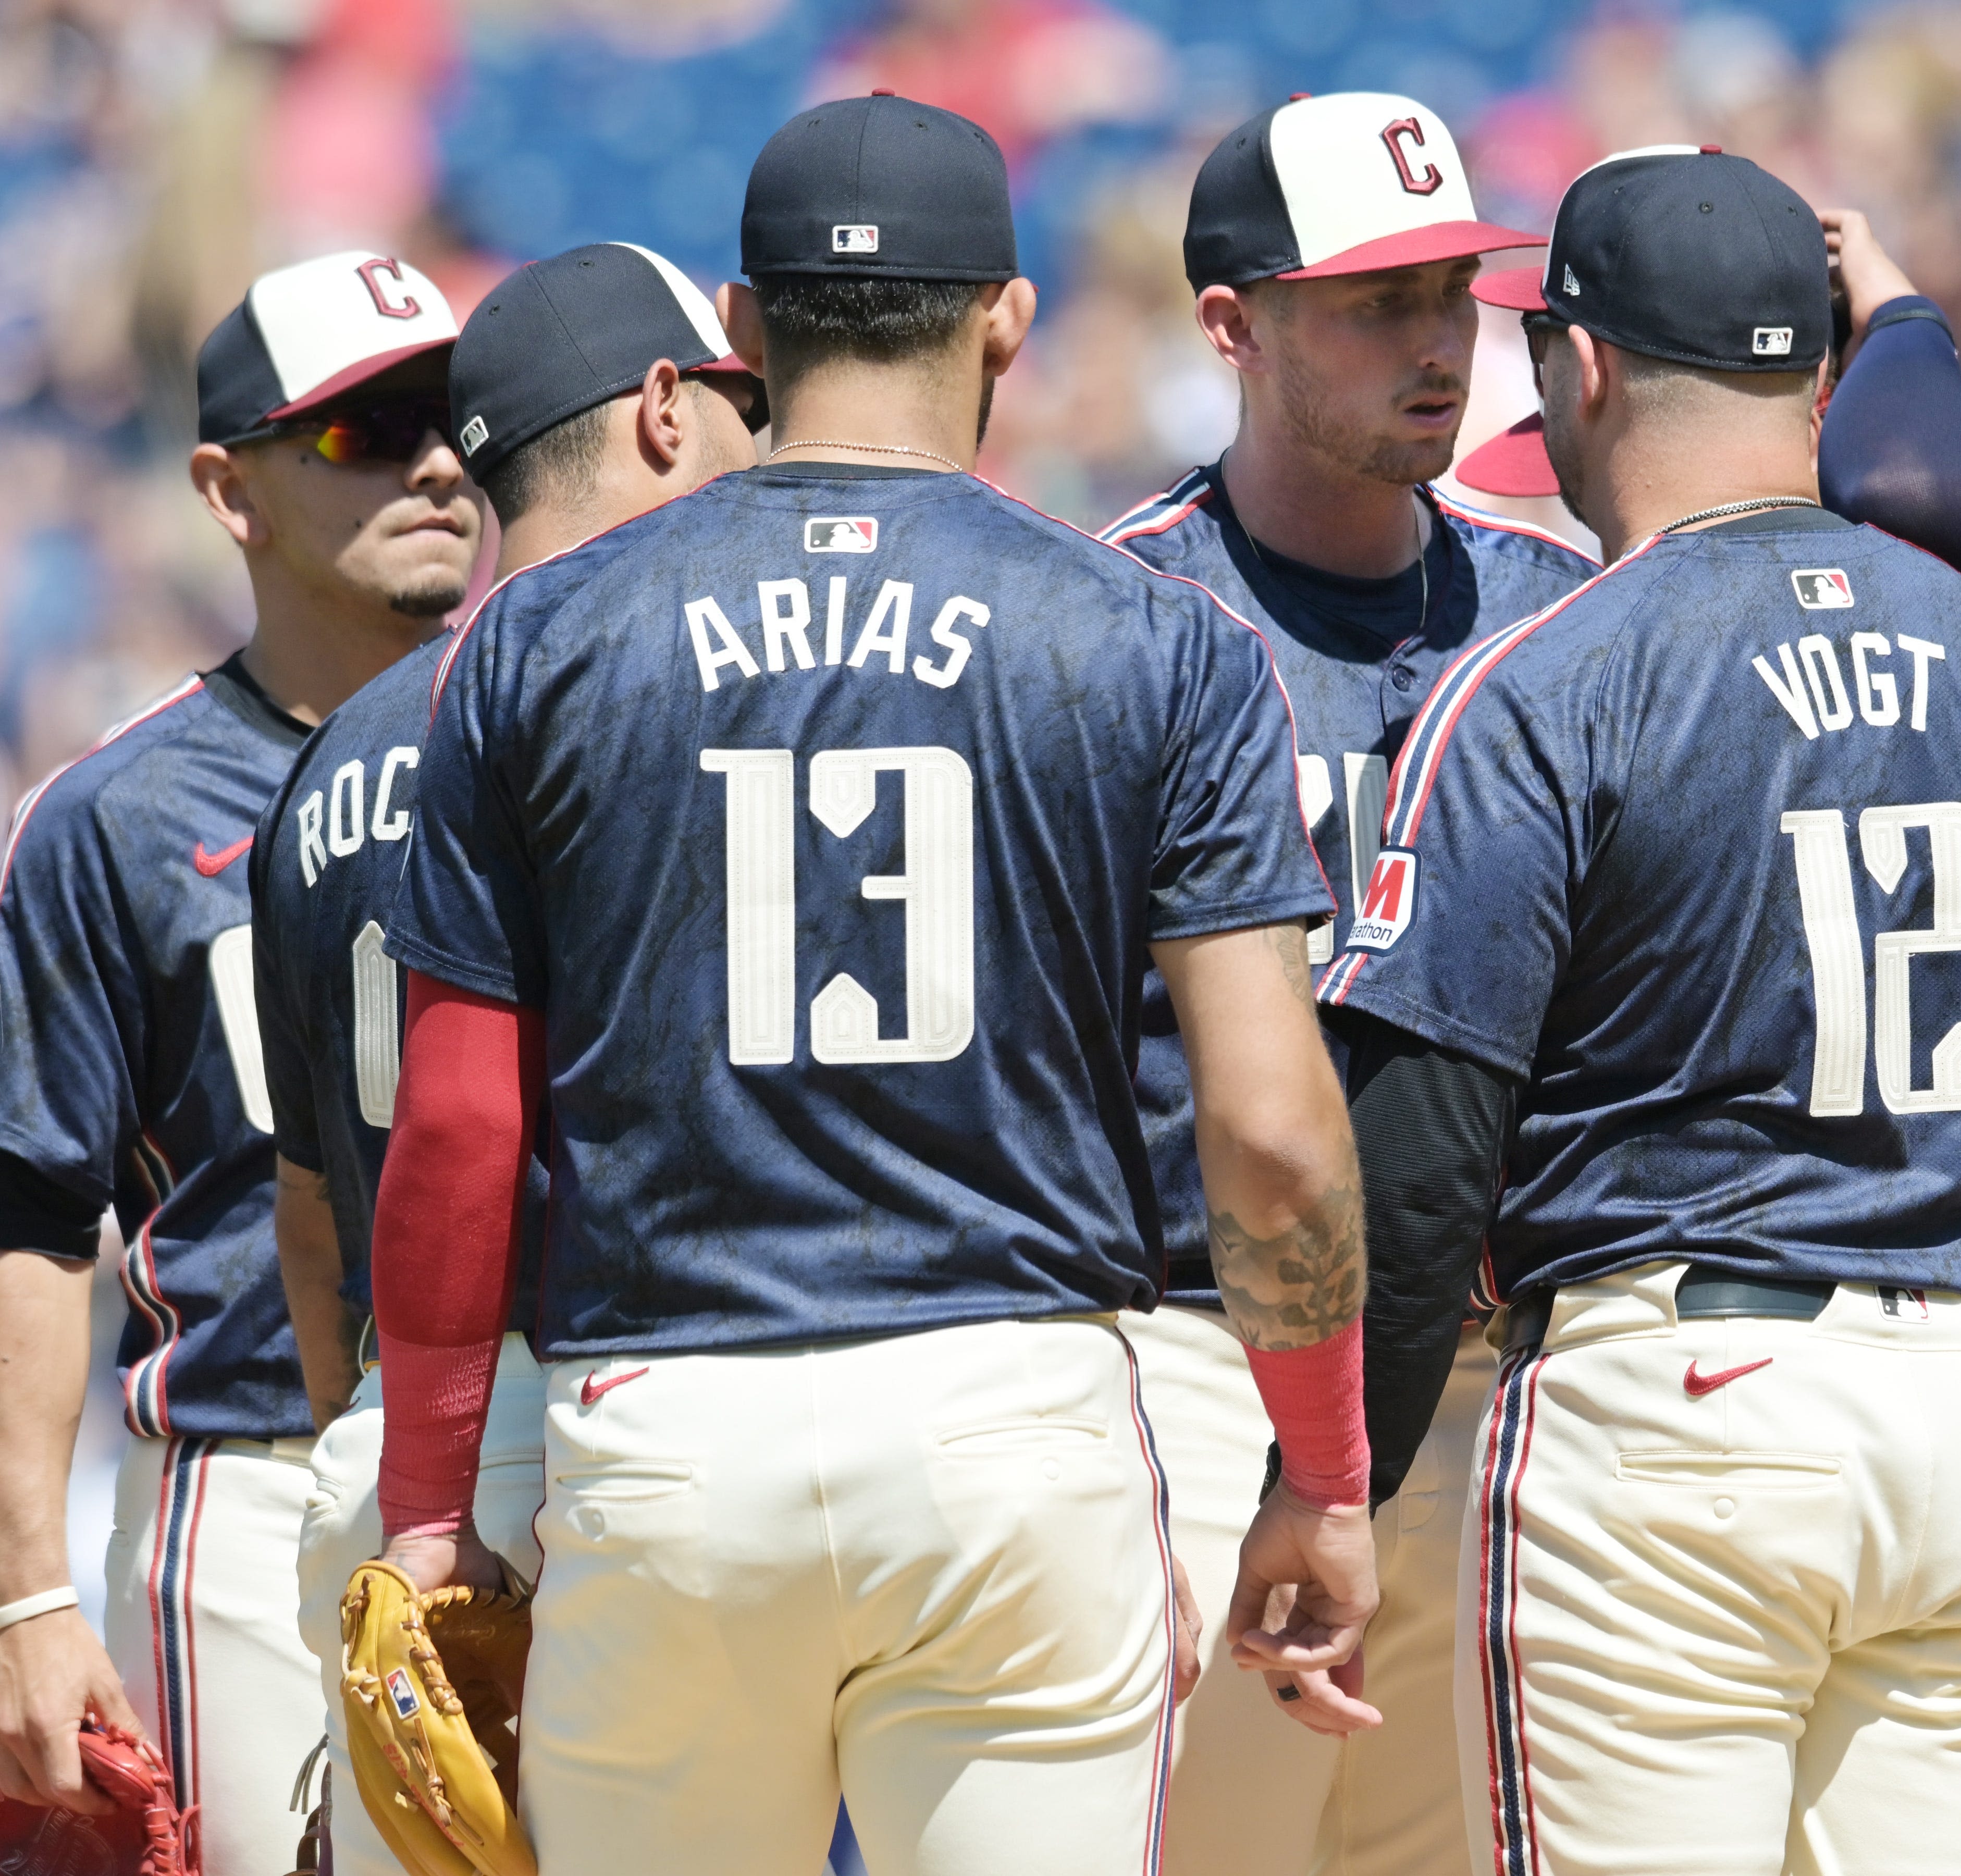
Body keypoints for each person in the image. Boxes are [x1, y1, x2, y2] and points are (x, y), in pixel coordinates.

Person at [364, 93, 1376, 1876]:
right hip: (1015, 1432)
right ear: (1006, 318)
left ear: (742, 336)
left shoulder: (537, 634)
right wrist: (1322, 1466)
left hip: (670, 1428)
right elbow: (1274, 1130)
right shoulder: (1152, 635)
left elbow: (456, 1125)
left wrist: (435, 1504)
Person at [1319, 146, 1961, 1876]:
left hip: (1674, 1413)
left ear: (1590, 365)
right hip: (1960, 1412)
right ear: (1817, 374)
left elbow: (1417, 1151)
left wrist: (1340, 1485)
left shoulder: (1554, 671)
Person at [1095, 90, 1588, 1876]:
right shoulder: (1113, 625)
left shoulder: (1563, 610)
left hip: (1493, 1371)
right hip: (1201, 1360)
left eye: (1454, 291)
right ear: (1232, 325)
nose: (1439, 341)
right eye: (1376, 301)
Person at [256, 241, 760, 1876]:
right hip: (640, 1412)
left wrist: (395, 1457)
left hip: (407, 1424)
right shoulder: (690, 693)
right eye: (749, 403)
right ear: (667, 415)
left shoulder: (342, 747)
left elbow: (320, 1201)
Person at [0, 252, 473, 1871]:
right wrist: (27, 1594)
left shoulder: (564, 732)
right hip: (258, 1486)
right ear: (228, 490)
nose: (434, 460)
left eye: (455, 417)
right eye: (363, 430)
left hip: (548, 1458)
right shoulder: (112, 822)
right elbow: (34, 1225)